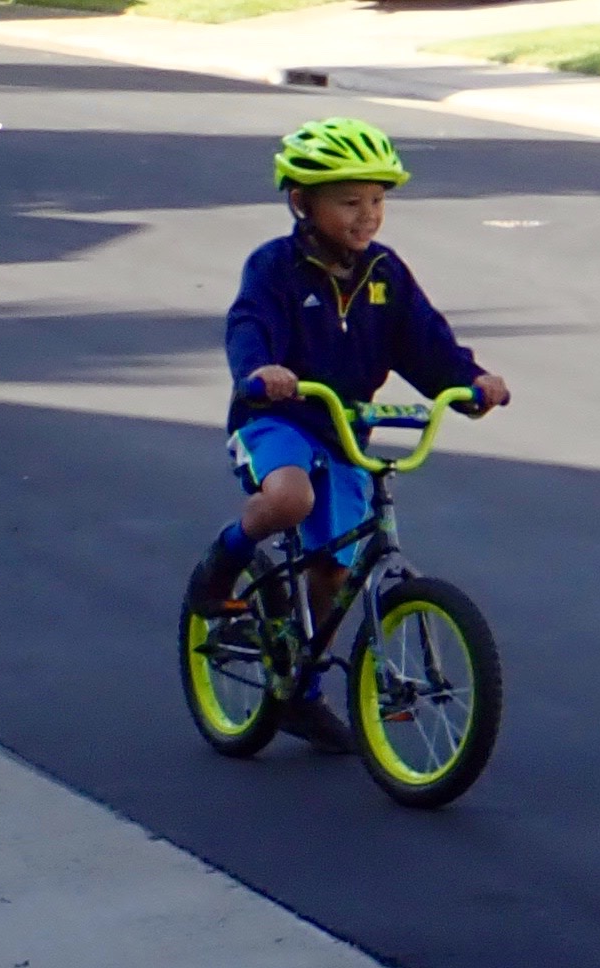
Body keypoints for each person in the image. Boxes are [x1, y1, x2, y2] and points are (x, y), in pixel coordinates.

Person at [196, 118, 510, 751]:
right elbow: (249, 325)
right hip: (278, 419)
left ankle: (303, 689)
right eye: (349, 202)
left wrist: (470, 381)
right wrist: (261, 372)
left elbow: (425, 342)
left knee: (335, 571)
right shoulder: (275, 268)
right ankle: (224, 562)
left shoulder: (385, 273)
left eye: (376, 200)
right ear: (301, 203)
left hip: (344, 430)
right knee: (291, 500)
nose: (367, 216)